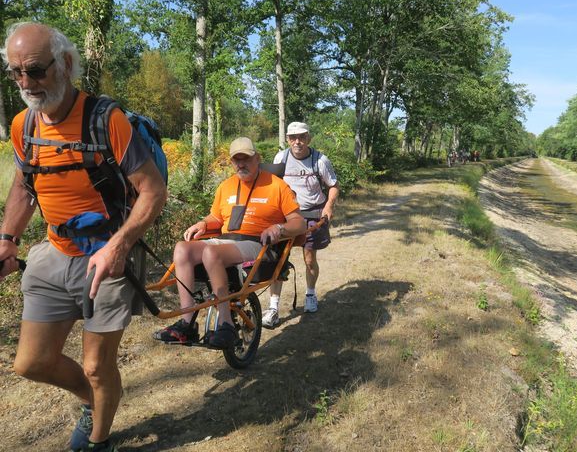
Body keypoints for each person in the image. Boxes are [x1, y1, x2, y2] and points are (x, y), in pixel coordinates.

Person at [0, 23, 167, 452]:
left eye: (35, 70)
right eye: (15, 72)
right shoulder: (23, 125)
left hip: (108, 255)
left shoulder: (105, 121)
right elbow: (23, 187)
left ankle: (99, 440)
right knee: (31, 363)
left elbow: (153, 190)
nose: (25, 83)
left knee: (96, 365)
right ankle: (95, 403)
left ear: (67, 64)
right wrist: (7, 239)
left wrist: (120, 244)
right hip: (53, 253)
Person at [153, 137, 305, 346]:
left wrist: (278, 227)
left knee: (211, 253)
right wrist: (203, 224)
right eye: (236, 160)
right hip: (226, 241)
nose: (241, 164)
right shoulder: (226, 186)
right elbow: (217, 218)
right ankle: (187, 323)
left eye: (246, 159)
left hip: (258, 243)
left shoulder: (277, 186)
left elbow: (300, 223)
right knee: (182, 249)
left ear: (257, 158)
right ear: (232, 162)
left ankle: (226, 325)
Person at [261, 122, 338, 328]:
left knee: (309, 258)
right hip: (287, 217)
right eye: (293, 137)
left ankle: (311, 294)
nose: (298, 142)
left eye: (302, 137)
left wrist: (328, 206)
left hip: (313, 215)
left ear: (308, 138)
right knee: (277, 260)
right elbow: (271, 186)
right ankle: (273, 307)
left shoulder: (320, 160)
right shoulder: (281, 158)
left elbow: (333, 186)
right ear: (287, 139)